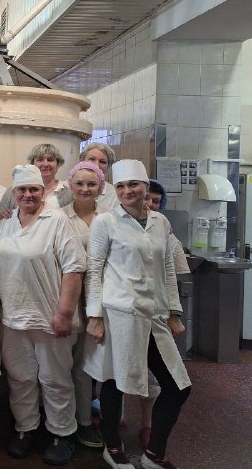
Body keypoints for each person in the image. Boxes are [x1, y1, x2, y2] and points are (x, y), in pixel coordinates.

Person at [84, 160, 191, 469]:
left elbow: (167, 267)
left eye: (133, 184)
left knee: (178, 387)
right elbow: (94, 270)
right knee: (114, 382)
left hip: (155, 317)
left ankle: (154, 453)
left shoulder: (160, 222)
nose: (127, 191)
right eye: (121, 186)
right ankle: (112, 446)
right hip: (121, 316)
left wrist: (174, 312)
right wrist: (95, 316)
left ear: (146, 186)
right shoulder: (105, 222)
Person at [0, 164, 86, 466]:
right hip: (13, 316)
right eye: (22, 190)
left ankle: (62, 433)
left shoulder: (56, 220)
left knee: (54, 378)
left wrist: (65, 313)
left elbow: (74, 268)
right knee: (20, 378)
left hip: (49, 317)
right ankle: (26, 428)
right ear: (15, 193)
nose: (28, 195)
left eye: (34, 189)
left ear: (41, 191)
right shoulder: (7, 222)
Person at [60, 161, 107, 449]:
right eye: (80, 183)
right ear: (70, 185)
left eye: (91, 184)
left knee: (88, 365)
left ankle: (85, 421)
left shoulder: (109, 218)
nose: (85, 188)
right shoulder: (59, 217)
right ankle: (61, 421)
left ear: (101, 187)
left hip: (99, 300)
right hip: (67, 298)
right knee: (61, 365)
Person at [0, 143, 73, 219]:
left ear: (58, 165)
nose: (45, 164)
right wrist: (2, 217)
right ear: (32, 164)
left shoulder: (68, 194)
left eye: (50, 160)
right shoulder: (13, 191)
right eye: (40, 160)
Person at [79, 143, 120, 212]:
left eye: (102, 162)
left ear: (108, 167)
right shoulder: (65, 188)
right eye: (92, 159)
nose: (96, 165)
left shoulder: (115, 195)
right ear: (81, 162)